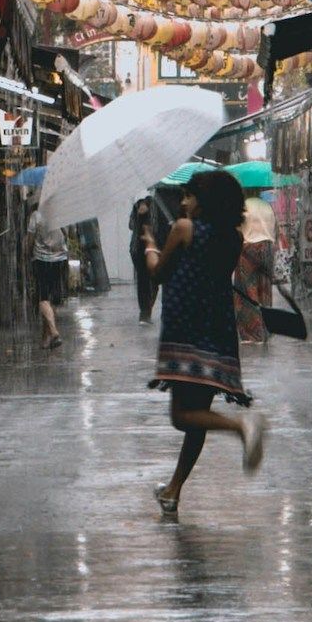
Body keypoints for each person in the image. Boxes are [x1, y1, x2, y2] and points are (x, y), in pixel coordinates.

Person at [143, 169, 266, 514]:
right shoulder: (233, 237)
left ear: (205, 201)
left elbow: (158, 272)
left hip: (186, 331)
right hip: (218, 331)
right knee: (198, 414)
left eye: (189, 196)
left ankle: (241, 425)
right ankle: (173, 490)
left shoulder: (183, 229)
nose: (183, 203)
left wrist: (150, 244)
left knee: (182, 417)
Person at [233, 195, 279, 345]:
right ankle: (265, 329)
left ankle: (252, 333)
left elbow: (237, 229)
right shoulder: (267, 207)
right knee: (264, 288)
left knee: (246, 291)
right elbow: (275, 230)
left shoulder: (244, 206)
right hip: (267, 247)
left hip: (248, 249)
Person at [31, 211, 69, 349]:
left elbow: (30, 239)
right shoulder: (63, 214)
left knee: (42, 298)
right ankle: (46, 338)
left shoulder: (36, 216)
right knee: (51, 300)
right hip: (60, 260)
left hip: (41, 260)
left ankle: (53, 332)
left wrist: (26, 256)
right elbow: (66, 235)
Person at [128, 195, 164, 324]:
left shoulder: (154, 204)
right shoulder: (136, 206)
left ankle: (146, 310)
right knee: (144, 281)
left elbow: (154, 227)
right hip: (138, 249)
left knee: (153, 281)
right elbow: (131, 225)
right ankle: (145, 312)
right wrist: (138, 214)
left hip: (152, 248)